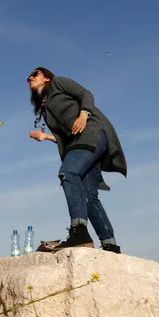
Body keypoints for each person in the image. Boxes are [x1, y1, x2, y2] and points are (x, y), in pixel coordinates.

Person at [27, 67, 127, 252]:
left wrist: (84, 114)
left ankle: (79, 233)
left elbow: (85, 94)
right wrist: (46, 137)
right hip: (77, 142)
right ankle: (110, 244)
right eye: (29, 77)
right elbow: (66, 135)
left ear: (47, 78)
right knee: (89, 196)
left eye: (35, 74)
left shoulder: (58, 83)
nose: (30, 78)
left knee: (68, 173)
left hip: (91, 134)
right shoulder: (46, 107)